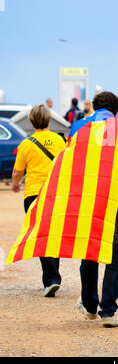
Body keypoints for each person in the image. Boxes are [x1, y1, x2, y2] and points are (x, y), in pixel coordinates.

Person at [70, 92, 118, 327]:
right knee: (115, 253)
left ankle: (90, 307)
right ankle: (108, 311)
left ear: (94, 108)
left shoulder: (79, 127)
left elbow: (69, 164)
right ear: (115, 110)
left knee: (89, 249)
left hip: (88, 200)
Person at [11, 104, 66, 297]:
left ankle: (51, 279)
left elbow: (18, 171)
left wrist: (15, 184)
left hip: (34, 195)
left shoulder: (26, 144)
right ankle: (54, 277)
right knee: (54, 234)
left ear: (31, 121)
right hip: (56, 193)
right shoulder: (61, 141)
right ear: (49, 120)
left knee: (41, 235)